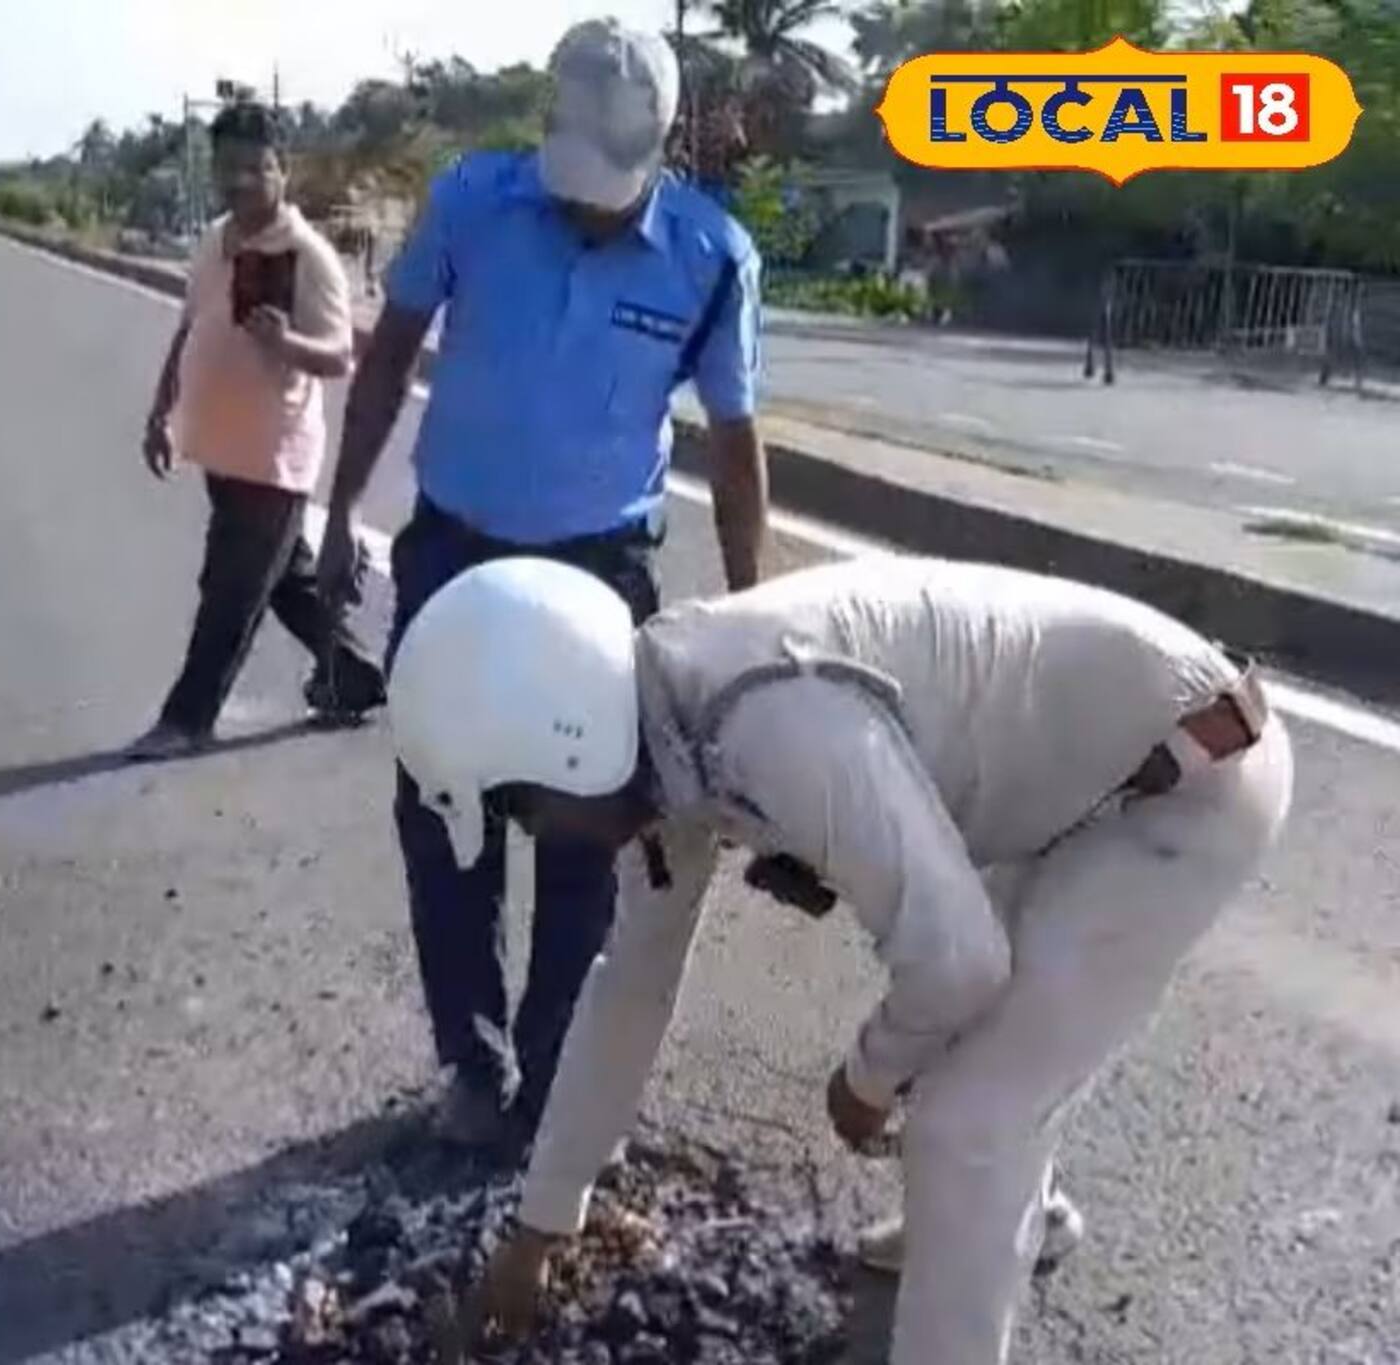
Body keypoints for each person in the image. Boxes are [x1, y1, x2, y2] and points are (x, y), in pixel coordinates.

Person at [386, 556, 1293, 1365]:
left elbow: (956, 962)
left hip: (1182, 781)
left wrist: (864, 1077)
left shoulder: (767, 721)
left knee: (967, 1123)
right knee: (983, 1060)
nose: (541, 836)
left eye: (524, 808)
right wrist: (543, 1221)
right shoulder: (659, 727)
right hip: (1070, 790)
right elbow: (629, 985)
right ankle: (1015, 1220)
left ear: (563, 743)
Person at [313, 17, 768, 1148]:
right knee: (443, 812)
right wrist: (333, 517)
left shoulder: (713, 259)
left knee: (589, 830)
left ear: (663, 146)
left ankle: (557, 1077)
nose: (585, 202)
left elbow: (738, 442)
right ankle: (471, 1062)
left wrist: (757, 617)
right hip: (455, 555)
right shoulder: (472, 201)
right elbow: (385, 359)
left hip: (597, 575)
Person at [124, 102, 386, 761]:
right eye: (226, 168)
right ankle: (354, 672)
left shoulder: (308, 257)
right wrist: (162, 411)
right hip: (220, 447)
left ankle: (186, 719)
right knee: (285, 582)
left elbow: (338, 357)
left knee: (231, 591)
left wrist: (285, 341)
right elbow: (191, 327)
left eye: (253, 167)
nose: (239, 181)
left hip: (274, 457)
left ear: (282, 169)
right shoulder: (215, 240)